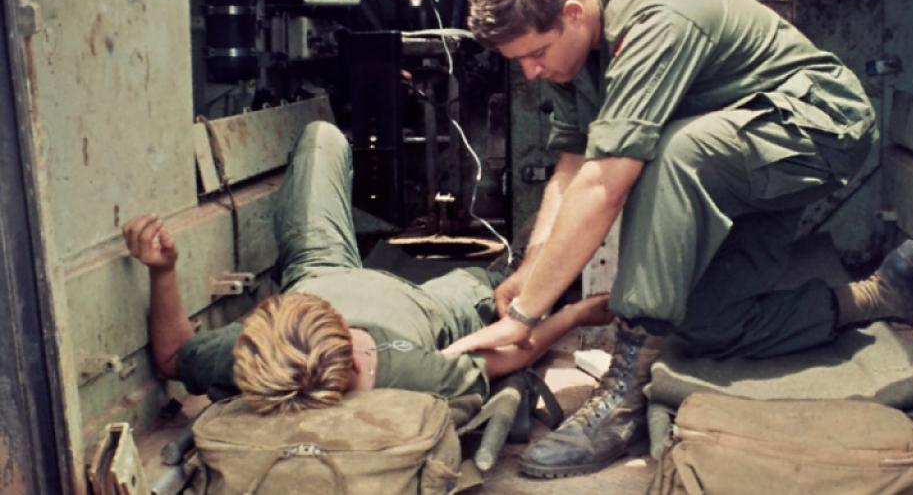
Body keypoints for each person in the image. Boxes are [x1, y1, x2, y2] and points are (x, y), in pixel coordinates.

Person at [449, 0, 913, 478]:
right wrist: (529, 276)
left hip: (821, 128)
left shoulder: (655, 19)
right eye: (520, 61)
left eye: (534, 54)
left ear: (574, 12)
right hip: (750, 157)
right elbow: (573, 167)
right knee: (707, 326)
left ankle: (621, 399)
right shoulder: (571, 57)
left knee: (673, 152)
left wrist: (529, 316)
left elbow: (605, 184)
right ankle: (887, 291)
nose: (530, 72)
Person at [124, 120, 611, 415]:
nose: (362, 337)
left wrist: (162, 272)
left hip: (321, 270)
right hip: (428, 306)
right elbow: (509, 356)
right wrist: (571, 317)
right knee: (492, 286)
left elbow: (171, 359)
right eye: (359, 344)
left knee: (321, 138)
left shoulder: (246, 350)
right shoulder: (403, 368)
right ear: (358, 365)